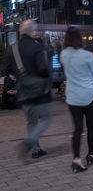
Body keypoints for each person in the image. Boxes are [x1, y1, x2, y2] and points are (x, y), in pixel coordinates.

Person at [5, 20, 53, 159]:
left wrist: (19, 79)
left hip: (23, 92)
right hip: (39, 92)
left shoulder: (12, 48)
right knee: (46, 118)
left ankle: (36, 150)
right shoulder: (36, 47)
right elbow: (43, 69)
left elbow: (8, 70)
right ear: (33, 31)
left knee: (31, 121)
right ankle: (30, 142)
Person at [60, 27, 93, 173]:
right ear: (80, 38)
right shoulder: (87, 55)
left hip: (72, 96)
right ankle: (91, 154)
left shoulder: (63, 54)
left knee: (77, 128)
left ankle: (76, 159)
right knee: (92, 127)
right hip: (89, 95)